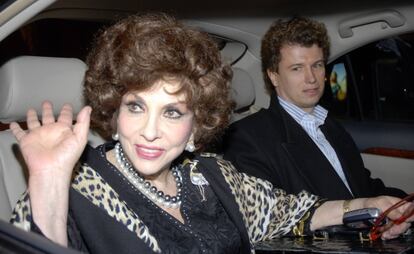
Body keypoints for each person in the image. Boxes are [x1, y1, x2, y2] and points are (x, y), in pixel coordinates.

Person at [9, 13, 412, 254]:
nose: (150, 131)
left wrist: (368, 204)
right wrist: (47, 180)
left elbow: (296, 211)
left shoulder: (212, 176)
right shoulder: (76, 187)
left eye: (172, 111)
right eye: (136, 107)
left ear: (194, 124)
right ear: (115, 111)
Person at [223, 17, 407, 200]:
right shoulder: (246, 138)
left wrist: (404, 204)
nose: (311, 78)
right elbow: (273, 218)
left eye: (317, 65)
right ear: (274, 76)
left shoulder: (331, 126)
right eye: (297, 68)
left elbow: (364, 187)